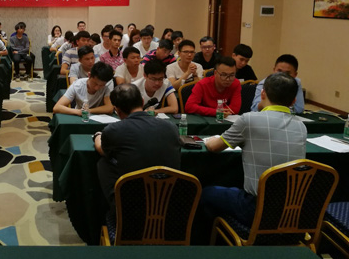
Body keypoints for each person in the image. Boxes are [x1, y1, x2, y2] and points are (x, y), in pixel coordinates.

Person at [202, 72, 307, 226]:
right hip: (291, 209)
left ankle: (220, 236)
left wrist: (209, 140)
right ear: (293, 101)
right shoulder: (301, 127)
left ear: (262, 94)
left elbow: (214, 147)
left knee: (206, 193)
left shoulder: (249, 119)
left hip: (255, 208)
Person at [94, 83, 181, 217]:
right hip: (171, 205)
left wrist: (97, 136)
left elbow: (102, 150)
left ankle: (111, 214)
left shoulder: (114, 130)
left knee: (103, 164)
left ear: (117, 110)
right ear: (142, 101)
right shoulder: (171, 127)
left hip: (131, 205)